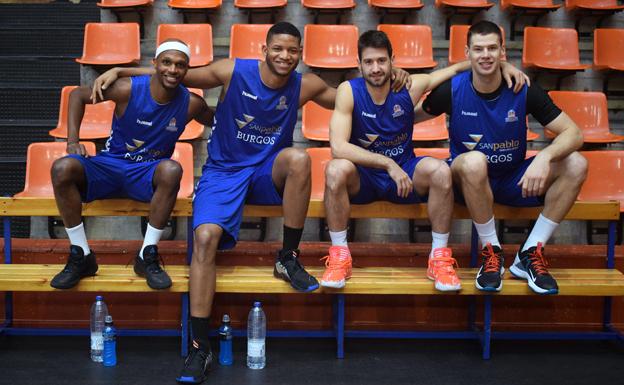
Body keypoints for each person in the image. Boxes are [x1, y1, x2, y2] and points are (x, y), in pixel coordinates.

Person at [92, 22, 411, 384]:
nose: (285, 56)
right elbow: (177, 73)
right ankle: (200, 346)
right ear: (264, 49)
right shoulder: (233, 70)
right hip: (223, 172)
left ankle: (287, 258)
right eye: (278, 49)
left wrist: (391, 76)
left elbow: (353, 94)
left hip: (264, 174)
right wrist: (123, 69)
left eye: (292, 51)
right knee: (205, 238)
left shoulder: (305, 84)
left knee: (300, 159)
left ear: (300, 53)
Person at [322, 30, 528, 292]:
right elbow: (338, 147)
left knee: (441, 171)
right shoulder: (348, 91)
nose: (376, 68)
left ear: (392, 60)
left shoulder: (411, 86)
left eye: (382, 61)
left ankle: (439, 258)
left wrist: (503, 63)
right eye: (369, 62)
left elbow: (456, 70)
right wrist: (387, 164)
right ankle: (340, 256)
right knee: (335, 169)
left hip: (406, 173)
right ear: (358, 64)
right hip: (367, 175)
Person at [418, 20, 587, 295]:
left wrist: (545, 156)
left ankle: (530, 253)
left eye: (492, 48)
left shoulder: (523, 88)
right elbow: (407, 115)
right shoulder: (452, 90)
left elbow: (574, 133)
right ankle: (491, 253)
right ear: (468, 53)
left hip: (511, 179)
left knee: (577, 163)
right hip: (466, 181)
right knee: (474, 161)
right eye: (478, 49)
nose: (485, 55)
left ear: (503, 52)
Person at [50, 39, 213, 291]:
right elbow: (78, 95)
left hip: (146, 174)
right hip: (109, 166)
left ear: (187, 69)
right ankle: (81, 254)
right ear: (155, 64)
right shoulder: (128, 89)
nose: (173, 69)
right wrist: (73, 141)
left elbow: (220, 120)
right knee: (62, 167)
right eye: (166, 62)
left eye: (180, 65)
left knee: (172, 169)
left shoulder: (192, 103)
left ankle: (146, 255)